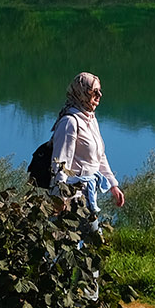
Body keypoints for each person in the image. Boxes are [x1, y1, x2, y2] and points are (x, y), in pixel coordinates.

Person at [49, 72, 125, 214]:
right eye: (94, 91)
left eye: (100, 90)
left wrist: (113, 185)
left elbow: (99, 156)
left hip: (88, 194)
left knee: (89, 235)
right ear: (82, 93)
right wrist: (59, 198)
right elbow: (60, 163)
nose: (99, 95)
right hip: (72, 196)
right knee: (89, 234)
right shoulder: (70, 122)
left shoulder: (90, 119)